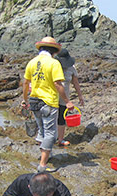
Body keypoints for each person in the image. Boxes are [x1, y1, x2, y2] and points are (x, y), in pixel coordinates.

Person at [21, 36, 74, 172]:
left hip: (34, 101)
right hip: (48, 102)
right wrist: (67, 101)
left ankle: (43, 156)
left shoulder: (32, 62)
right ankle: (43, 165)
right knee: (50, 134)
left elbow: (26, 83)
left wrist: (25, 99)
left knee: (42, 130)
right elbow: (58, 84)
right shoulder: (53, 63)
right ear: (54, 51)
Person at [56, 48, 85, 146]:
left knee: (61, 117)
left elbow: (75, 82)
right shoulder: (54, 66)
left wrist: (80, 96)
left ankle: (60, 139)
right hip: (52, 97)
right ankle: (49, 138)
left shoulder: (71, 68)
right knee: (51, 117)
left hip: (65, 98)